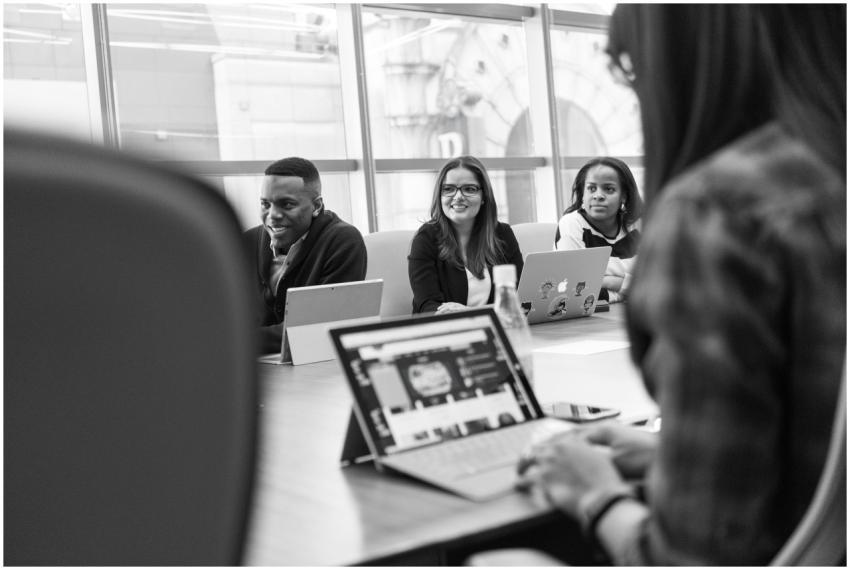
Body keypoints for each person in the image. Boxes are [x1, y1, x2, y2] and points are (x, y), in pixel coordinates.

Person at [517, 4, 845, 566]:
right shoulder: (826, 169)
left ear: (677, 58)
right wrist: (669, 454)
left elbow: (693, 558)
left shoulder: (720, 209)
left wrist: (595, 494)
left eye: (630, 68)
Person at [243, 157, 367, 353]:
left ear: (316, 206)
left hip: (316, 362)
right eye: (265, 204)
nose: (272, 215)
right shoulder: (247, 242)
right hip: (254, 363)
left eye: (287, 205)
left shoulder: (343, 240)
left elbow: (318, 328)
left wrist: (238, 340)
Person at [408, 155, 523, 314]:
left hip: (497, 326)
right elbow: (427, 305)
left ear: (484, 196)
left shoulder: (502, 234)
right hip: (445, 328)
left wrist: (470, 313)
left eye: (469, 189)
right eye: (448, 189)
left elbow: (519, 295)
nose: (458, 197)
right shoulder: (426, 238)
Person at [555, 157, 643, 303]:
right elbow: (575, 288)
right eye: (591, 188)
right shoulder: (571, 224)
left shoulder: (638, 225)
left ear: (624, 196)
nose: (598, 196)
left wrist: (609, 282)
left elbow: (657, 281)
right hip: (583, 316)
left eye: (609, 189)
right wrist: (629, 287)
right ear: (582, 194)